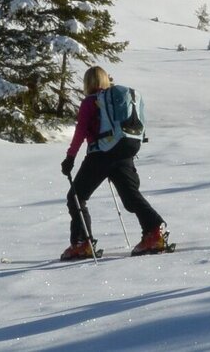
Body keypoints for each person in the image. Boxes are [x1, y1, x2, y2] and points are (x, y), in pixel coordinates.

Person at [60, 66, 169, 259]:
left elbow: (80, 132)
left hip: (100, 155)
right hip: (124, 151)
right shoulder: (115, 101)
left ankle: (82, 243)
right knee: (131, 197)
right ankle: (154, 233)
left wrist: (70, 158)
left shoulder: (90, 103)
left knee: (76, 197)